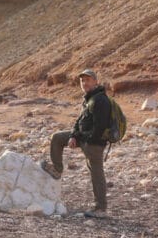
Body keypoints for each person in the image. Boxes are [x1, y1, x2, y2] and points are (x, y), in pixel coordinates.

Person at [41, 69, 111, 218]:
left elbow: (100, 127)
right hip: (84, 138)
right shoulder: (89, 98)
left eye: (88, 80)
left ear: (95, 81)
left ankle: (101, 208)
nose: (84, 83)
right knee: (57, 138)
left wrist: (85, 140)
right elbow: (79, 121)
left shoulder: (101, 100)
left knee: (97, 174)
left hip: (95, 143)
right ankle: (57, 169)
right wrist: (73, 136)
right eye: (82, 80)